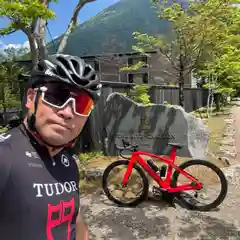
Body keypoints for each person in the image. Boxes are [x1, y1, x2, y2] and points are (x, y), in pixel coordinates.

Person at [0, 54, 102, 240]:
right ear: (31, 98)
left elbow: (74, 219)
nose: (68, 112)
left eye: (82, 104)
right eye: (56, 96)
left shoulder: (69, 162)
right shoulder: (4, 156)